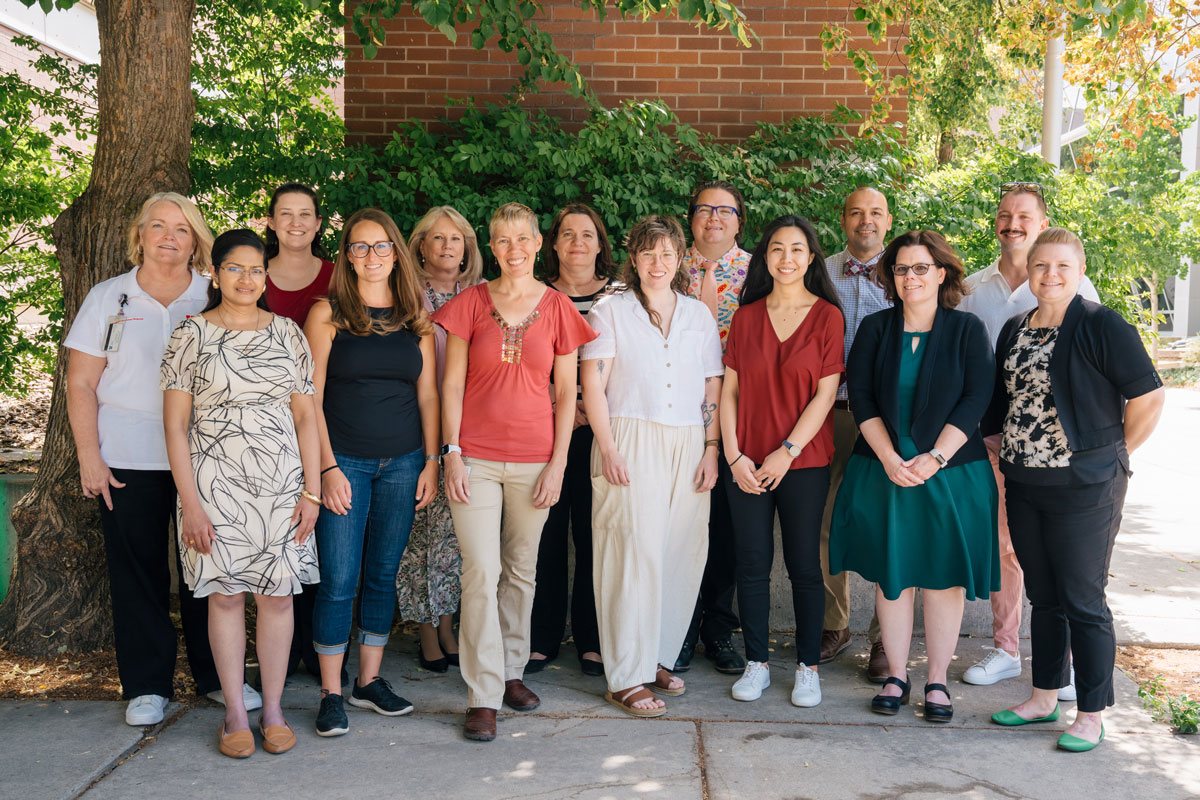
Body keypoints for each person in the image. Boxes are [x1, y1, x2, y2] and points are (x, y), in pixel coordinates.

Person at [64, 191, 258, 727]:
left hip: (209, 457)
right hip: (127, 454)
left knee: (209, 568)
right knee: (137, 572)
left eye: (181, 228)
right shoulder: (110, 299)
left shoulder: (213, 295)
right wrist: (89, 456)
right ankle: (148, 685)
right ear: (140, 235)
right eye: (158, 226)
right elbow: (80, 381)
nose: (169, 236)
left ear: (196, 239)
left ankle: (217, 677)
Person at [987, 228, 1164, 752]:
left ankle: (1091, 711)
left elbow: (1149, 398)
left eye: (1063, 266)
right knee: (1044, 596)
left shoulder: (1101, 324)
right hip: (1024, 482)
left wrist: (1113, 456)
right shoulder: (1015, 328)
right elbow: (1006, 399)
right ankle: (1043, 697)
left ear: (1080, 270)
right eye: (1041, 265)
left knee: (1084, 599)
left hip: (1087, 485)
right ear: (1030, 269)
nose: (1051, 275)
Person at [433, 202, 597, 742]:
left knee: (521, 571)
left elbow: (566, 394)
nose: (513, 249)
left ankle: (510, 674)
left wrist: (558, 465)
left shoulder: (557, 307)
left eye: (522, 239)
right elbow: (450, 384)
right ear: (492, 245)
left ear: (536, 243)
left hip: (534, 461)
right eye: (502, 240)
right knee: (480, 572)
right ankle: (482, 696)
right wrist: (450, 451)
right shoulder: (469, 304)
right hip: (473, 458)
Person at [161, 229, 321, 757]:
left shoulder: (289, 334)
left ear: (265, 275)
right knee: (225, 597)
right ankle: (234, 710)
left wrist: (313, 491)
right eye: (235, 268)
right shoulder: (191, 336)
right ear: (216, 272)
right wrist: (191, 502)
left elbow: (306, 417)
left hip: (281, 485)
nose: (247, 278)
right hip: (213, 486)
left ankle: (272, 709)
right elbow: (175, 426)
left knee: (277, 598)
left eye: (256, 269)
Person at [829, 230, 999, 725]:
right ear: (892, 276)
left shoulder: (966, 331)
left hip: (952, 475)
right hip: (886, 471)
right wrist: (889, 458)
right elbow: (860, 396)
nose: (910, 277)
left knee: (943, 580)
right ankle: (897, 675)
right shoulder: (876, 329)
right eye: (902, 269)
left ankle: (938, 679)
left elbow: (976, 398)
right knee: (894, 577)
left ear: (941, 273)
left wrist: (934, 459)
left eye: (921, 267)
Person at [958, 183, 1100, 697]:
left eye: (1024, 216)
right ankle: (1006, 649)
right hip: (996, 441)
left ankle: (1057, 663)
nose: (1012, 224)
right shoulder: (974, 289)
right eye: (1004, 215)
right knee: (1005, 547)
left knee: (1059, 551)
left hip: (1066, 452)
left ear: (1042, 224)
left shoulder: (1078, 291)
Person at [304, 208, 441, 737]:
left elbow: (427, 395)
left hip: (404, 463)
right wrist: (327, 468)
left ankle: (369, 682)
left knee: (382, 576)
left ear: (397, 253)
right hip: (346, 464)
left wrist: (430, 460)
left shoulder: (416, 316)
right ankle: (330, 692)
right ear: (346, 256)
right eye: (360, 247)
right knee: (339, 579)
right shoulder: (328, 313)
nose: (371, 256)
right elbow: (309, 397)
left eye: (381, 246)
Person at [581, 215, 722, 716]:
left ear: (680, 259)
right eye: (647, 254)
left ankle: (656, 657)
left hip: (688, 440)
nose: (657, 263)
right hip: (629, 436)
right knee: (630, 554)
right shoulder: (609, 312)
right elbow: (593, 385)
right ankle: (624, 675)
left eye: (667, 254)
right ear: (633, 259)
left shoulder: (699, 316)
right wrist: (609, 446)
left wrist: (711, 447)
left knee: (680, 552)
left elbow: (711, 385)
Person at [721, 216, 844, 707]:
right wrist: (733, 456)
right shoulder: (745, 316)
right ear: (764, 257)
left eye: (797, 249)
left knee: (803, 567)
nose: (786, 258)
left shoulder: (828, 317)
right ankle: (757, 664)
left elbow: (825, 395)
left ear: (811, 258)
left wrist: (786, 452)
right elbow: (728, 391)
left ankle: (807, 668)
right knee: (750, 564)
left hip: (804, 460)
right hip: (745, 462)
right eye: (777, 249)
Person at [527, 203, 619, 678]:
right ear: (554, 244)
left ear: (601, 244)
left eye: (588, 234)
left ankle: (592, 639)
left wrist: (592, 412)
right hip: (546, 427)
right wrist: (564, 404)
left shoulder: (622, 296)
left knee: (593, 534)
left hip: (603, 433)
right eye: (568, 234)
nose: (578, 242)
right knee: (544, 535)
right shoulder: (536, 297)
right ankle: (541, 638)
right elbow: (522, 362)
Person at [395, 205, 483, 672]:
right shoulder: (405, 294)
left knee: (455, 536)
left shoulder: (483, 293)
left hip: (471, 427)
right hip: (417, 423)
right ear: (421, 246)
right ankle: (426, 631)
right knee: (422, 532)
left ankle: (447, 624)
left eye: (456, 239)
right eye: (438, 239)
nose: (448, 247)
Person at [673, 179, 749, 676]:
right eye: (704, 209)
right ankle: (676, 629)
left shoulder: (758, 272)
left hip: (739, 414)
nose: (714, 218)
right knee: (678, 525)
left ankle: (718, 629)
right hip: (675, 414)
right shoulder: (665, 266)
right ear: (690, 218)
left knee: (727, 529)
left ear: (740, 220)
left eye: (725, 210)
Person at [819, 187, 894, 681]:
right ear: (842, 220)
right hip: (828, 411)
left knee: (890, 522)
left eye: (875, 213)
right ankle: (834, 623)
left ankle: (886, 636)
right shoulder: (818, 271)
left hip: (890, 418)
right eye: (856, 213)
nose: (865, 221)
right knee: (823, 520)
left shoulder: (909, 270)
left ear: (888, 221)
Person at [262, 181, 335, 682]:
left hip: (319, 421)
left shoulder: (337, 277)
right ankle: (277, 653)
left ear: (318, 223)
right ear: (270, 222)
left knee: (317, 535)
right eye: (284, 214)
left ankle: (318, 645)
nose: (294, 222)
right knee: (274, 536)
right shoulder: (247, 275)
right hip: (260, 427)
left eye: (304, 214)